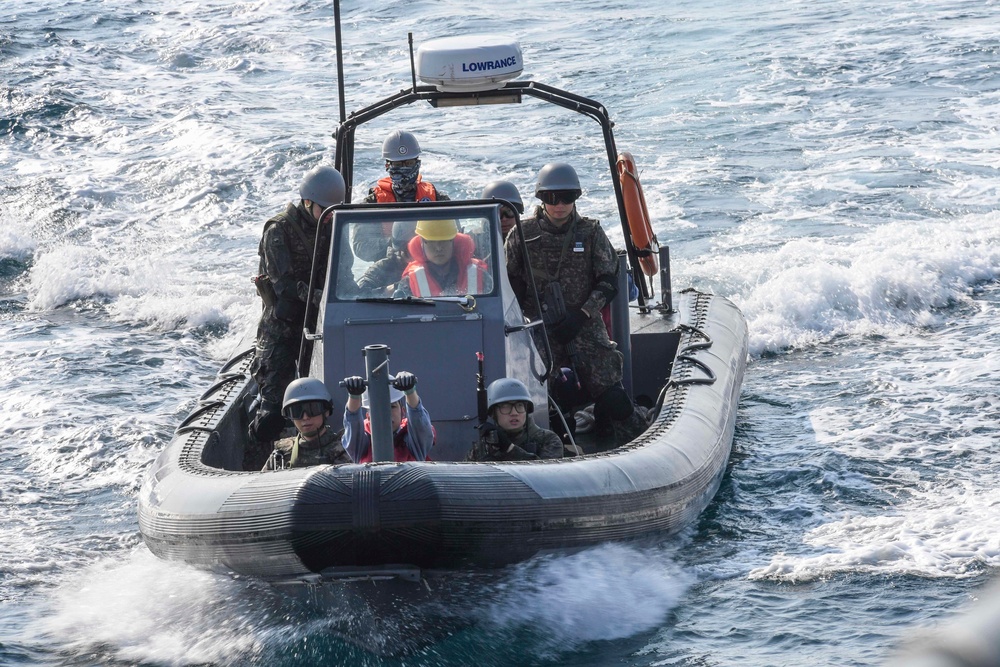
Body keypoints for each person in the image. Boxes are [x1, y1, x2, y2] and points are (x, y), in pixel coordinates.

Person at [504, 162, 648, 447]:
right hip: (539, 327)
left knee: (611, 393)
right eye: (551, 198)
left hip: (583, 323)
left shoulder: (590, 232)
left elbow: (608, 280)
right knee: (544, 395)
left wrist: (582, 315)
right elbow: (511, 284)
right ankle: (558, 450)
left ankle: (635, 443)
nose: (559, 205)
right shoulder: (522, 234)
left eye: (567, 197)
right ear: (541, 199)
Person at [248, 165, 346, 457]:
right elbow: (286, 286)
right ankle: (258, 456)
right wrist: (325, 297)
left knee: (319, 401)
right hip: (283, 328)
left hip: (317, 326)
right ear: (308, 202)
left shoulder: (329, 227)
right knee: (274, 407)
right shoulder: (278, 231)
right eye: (324, 210)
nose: (328, 217)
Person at [351, 130, 450, 262]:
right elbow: (361, 247)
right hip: (390, 267)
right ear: (388, 166)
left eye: (409, 163)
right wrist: (392, 245)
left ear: (417, 163)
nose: (404, 170)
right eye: (397, 165)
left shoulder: (437, 198)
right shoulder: (372, 204)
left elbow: (456, 235)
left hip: (433, 265)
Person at [341, 371, 435, 463]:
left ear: (403, 412)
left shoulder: (414, 443)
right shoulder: (362, 445)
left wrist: (410, 391)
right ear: (368, 417)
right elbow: (353, 424)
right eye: (376, 409)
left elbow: (419, 424)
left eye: (392, 407)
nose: (386, 413)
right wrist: (354, 395)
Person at [263, 377, 352, 470]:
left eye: (312, 409)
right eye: (297, 412)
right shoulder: (280, 455)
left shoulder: (344, 449)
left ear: (326, 411)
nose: (305, 417)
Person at [469, 378, 563, 461]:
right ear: (493, 413)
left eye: (520, 405)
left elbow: (544, 474)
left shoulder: (548, 440)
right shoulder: (482, 448)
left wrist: (509, 449)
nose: (514, 413)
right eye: (505, 407)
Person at [396, 219, 492, 297]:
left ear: (454, 242)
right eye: (431, 241)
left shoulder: (479, 274)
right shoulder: (409, 282)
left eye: (444, 241)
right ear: (421, 243)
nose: (438, 248)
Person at [356, 221, 417, 296]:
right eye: (411, 248)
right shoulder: (383, 268)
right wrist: (394, 288)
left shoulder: (432, 265)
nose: (417, 253)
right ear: (399, 249)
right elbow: (361, 295)